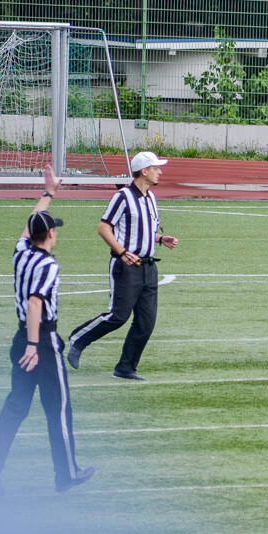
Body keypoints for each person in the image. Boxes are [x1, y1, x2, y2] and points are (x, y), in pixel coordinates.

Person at [0, 166, 94, 495]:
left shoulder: (21, 253)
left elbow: (29, 225)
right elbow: (36, 303)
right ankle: (66, 473)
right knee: (58, 407)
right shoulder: (48, 265)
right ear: (50, 235)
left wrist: (48, 194)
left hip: (21, 336)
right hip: (42, 341)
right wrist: (35, 346)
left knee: (15, 407)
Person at [68, 151, 179, 380]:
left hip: (149, 267)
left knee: (146, 322)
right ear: (144, 171)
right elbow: (104, 227)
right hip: (127, 265)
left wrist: (160, 239)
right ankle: (78, 339)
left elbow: (146, 229)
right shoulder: (123, 196)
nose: (160, 171)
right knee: (118, 316)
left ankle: (125, 367)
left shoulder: (151, 197)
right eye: (156, 167)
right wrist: (122, 252)